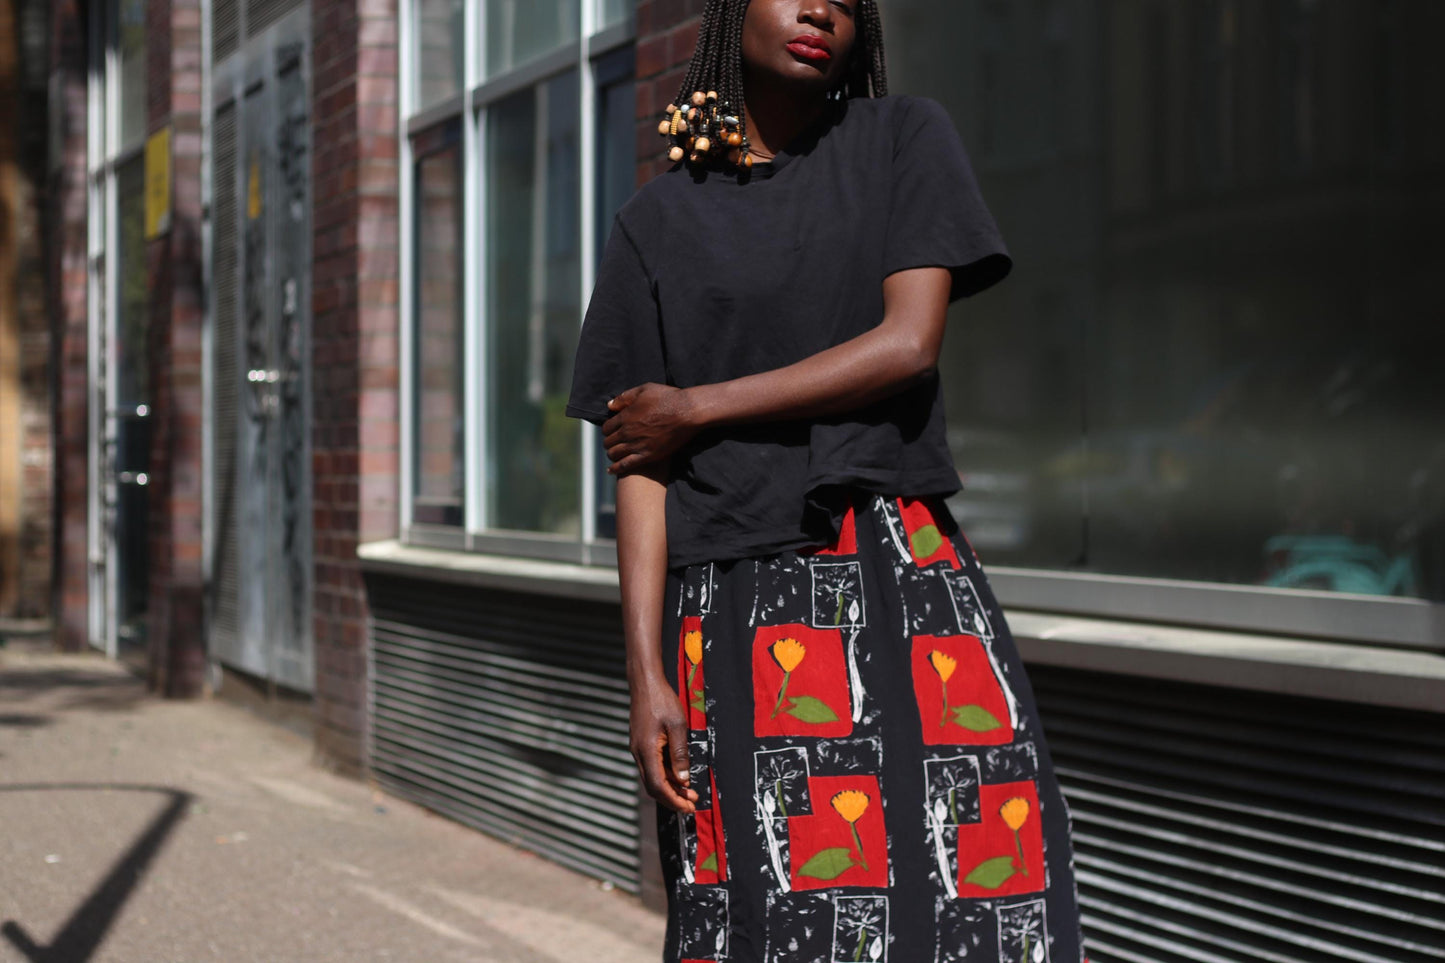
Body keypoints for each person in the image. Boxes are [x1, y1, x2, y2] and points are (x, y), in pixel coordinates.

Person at [566, 1, 1087, 960]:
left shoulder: (900, 140)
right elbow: (639, 459)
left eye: (847, 0)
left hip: (896, 566)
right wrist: (645, 675)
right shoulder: (654, 223)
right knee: (772, 908)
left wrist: (697, 406)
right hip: (729, 597)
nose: (821, 11)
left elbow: (908, 344)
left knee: (976, 890)